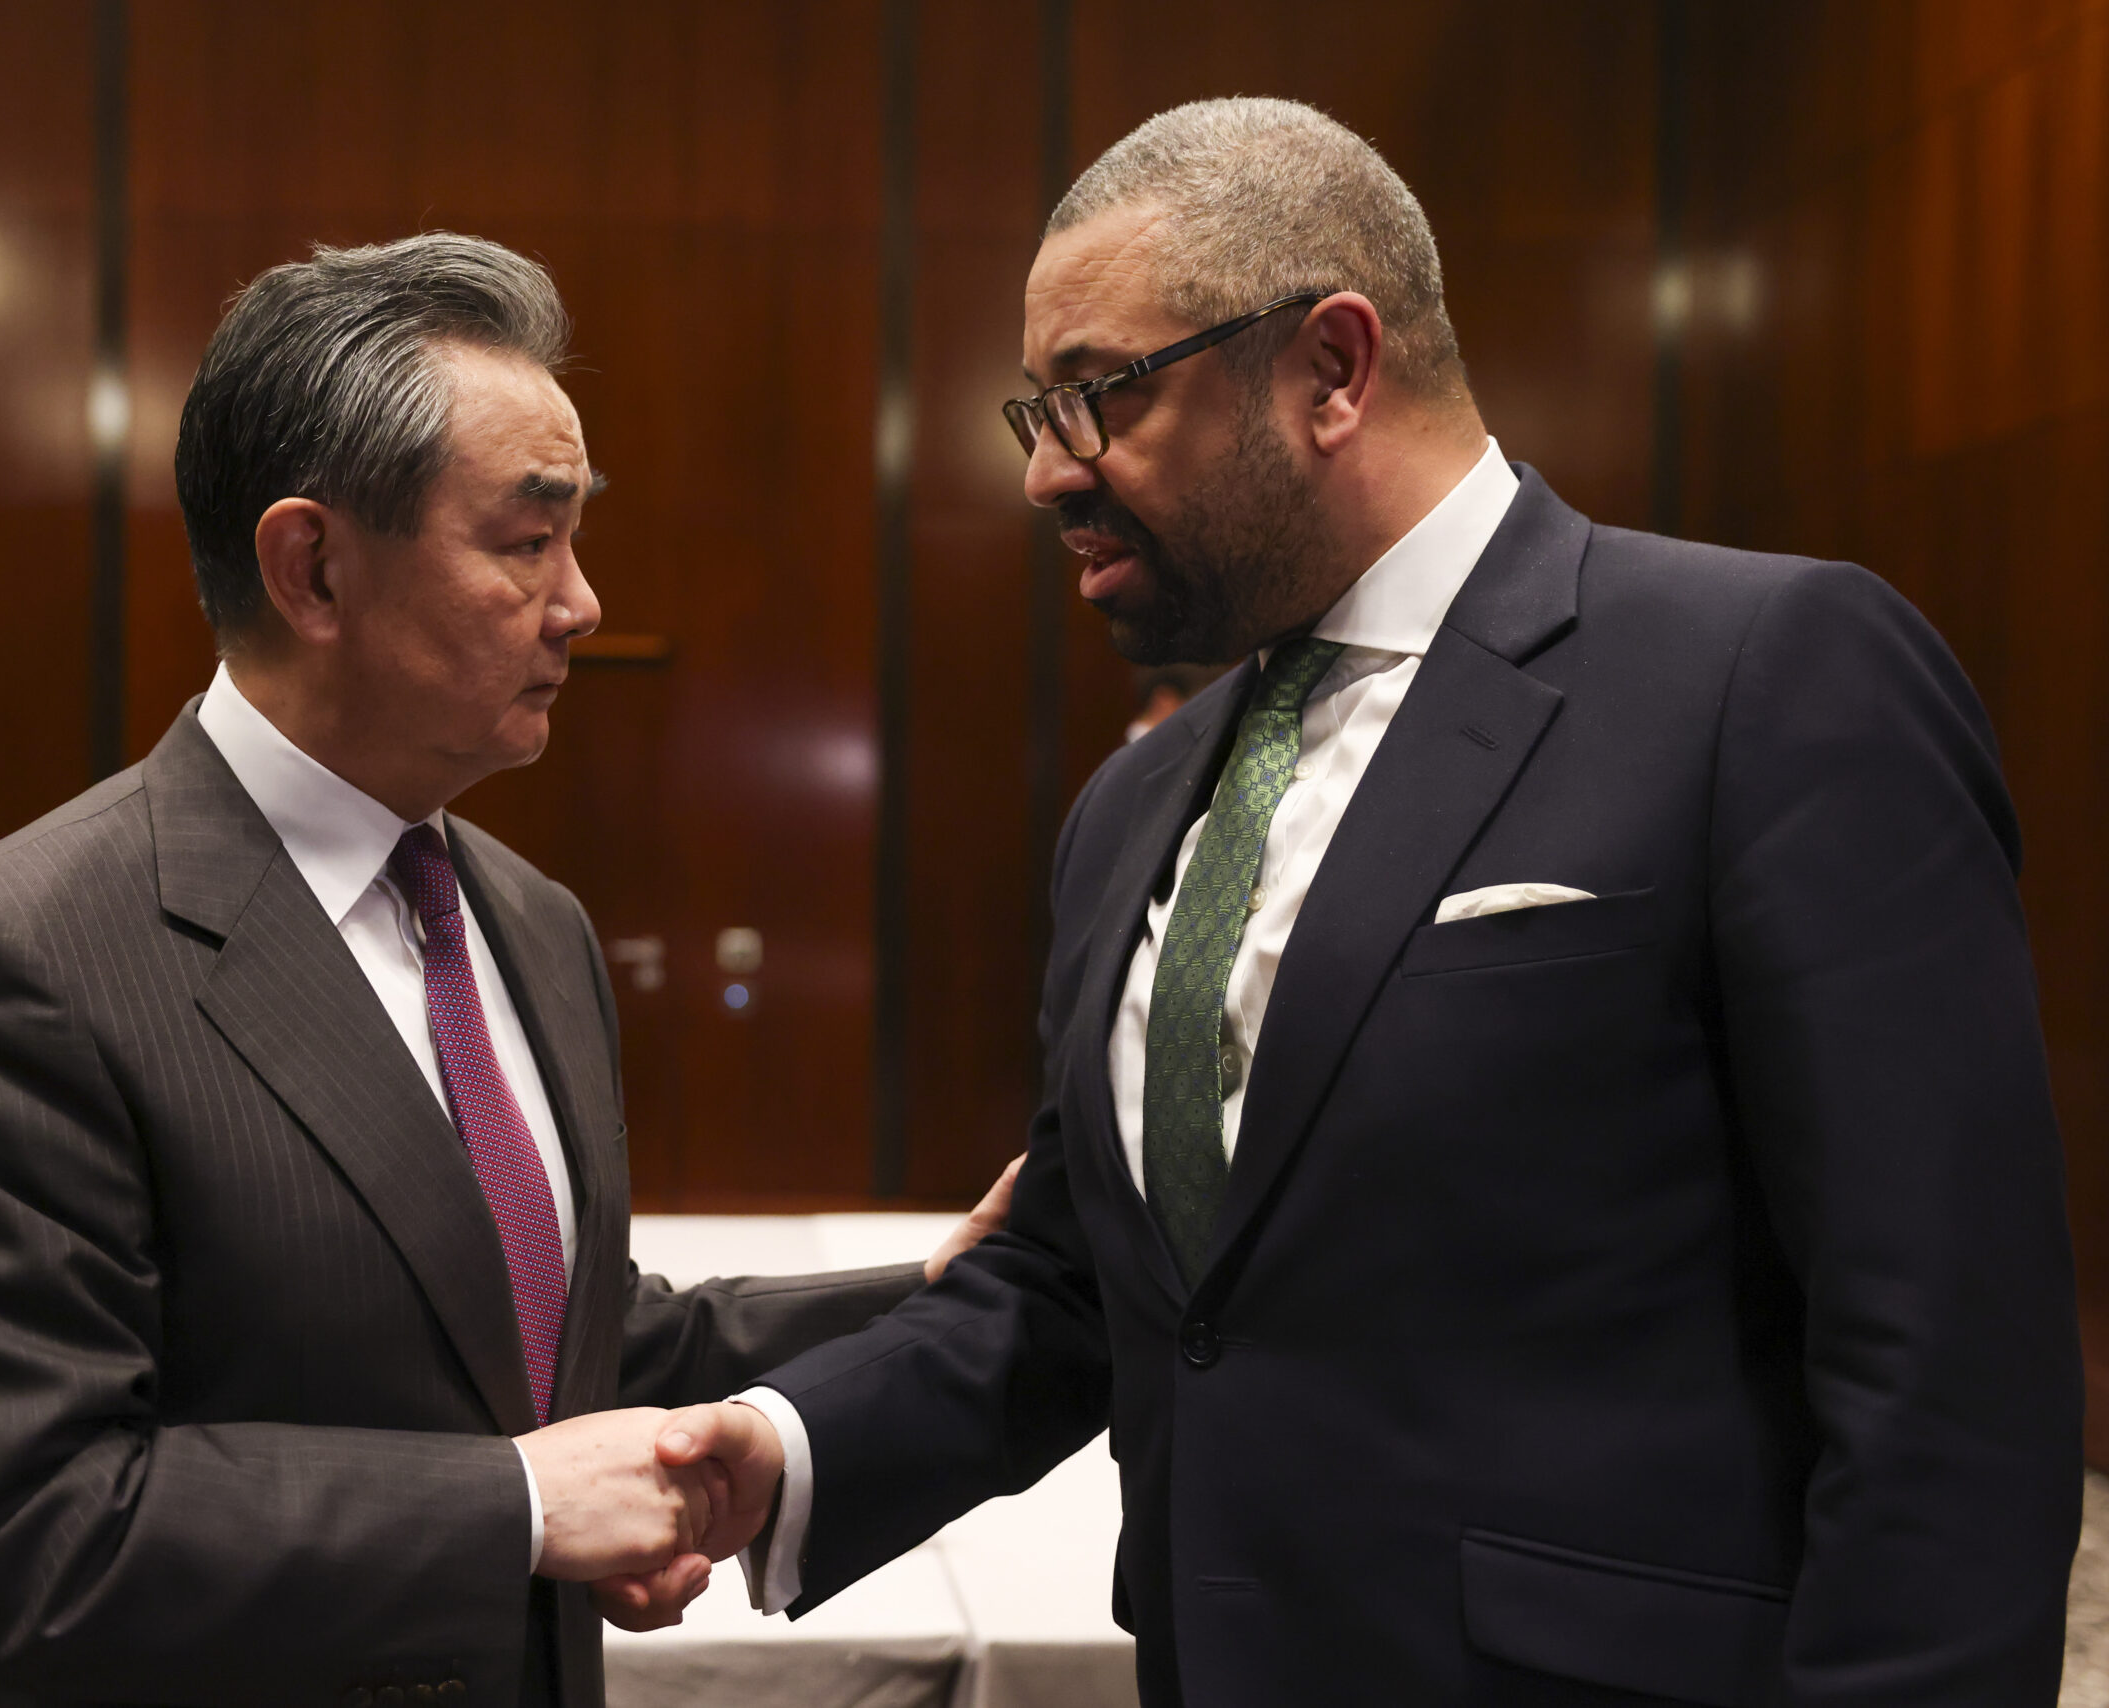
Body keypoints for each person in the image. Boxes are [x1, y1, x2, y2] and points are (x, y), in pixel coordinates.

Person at [646, 98, 2082, 1704]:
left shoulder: (1764, 676)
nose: (1051, 474)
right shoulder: (1131, 806)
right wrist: (774, 1455)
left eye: (1099, 398)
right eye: (1031, 414)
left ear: (1331, 366)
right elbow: (1083, 1285)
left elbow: (1948, 1364)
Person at [0, 234, 1011, 1708]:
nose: (582, 602)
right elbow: (20, 1544)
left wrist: (929, 1294)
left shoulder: (529, 921)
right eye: (528, 542)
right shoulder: (17, 955)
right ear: (313, 567)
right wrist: (513, 1507)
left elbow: (557, 1342)